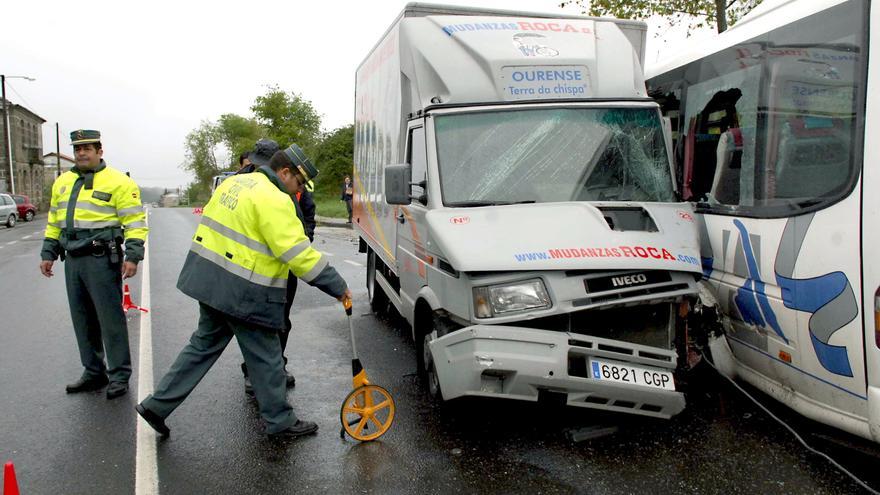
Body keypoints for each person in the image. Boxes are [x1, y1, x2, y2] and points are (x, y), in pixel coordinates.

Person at [136, 144, 351, 440]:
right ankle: (280, 421)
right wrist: (338, 287)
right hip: (245, 291)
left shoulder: (233, 183)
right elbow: (298, 255)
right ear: (284, 172)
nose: (298, 190)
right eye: (299, 183)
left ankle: (157, 405)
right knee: (267, 356)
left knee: (201, 348)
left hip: (210, 281)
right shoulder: (276, 199)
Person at [39, 129, 148, 399]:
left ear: (100, 151)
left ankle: (119, 375)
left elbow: (134, 222)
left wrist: (133, 256)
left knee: (109, 319)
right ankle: (93, 372)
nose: (81, 153)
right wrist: (48, 252)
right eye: (78, 149)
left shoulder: (118, 182)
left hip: (101, 257)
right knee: (82, 319)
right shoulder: (62, 182)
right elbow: (54, 221)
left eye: (87, 148)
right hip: (73, 259)